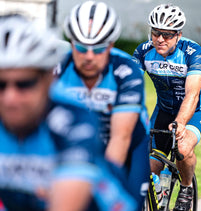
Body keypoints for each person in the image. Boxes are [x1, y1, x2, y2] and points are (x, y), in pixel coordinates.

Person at [0, 14, 137, 211]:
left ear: (48, 80)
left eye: (24, 84)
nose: (10, 98)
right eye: (1, 85)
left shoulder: (73, 118)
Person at [54, 1, 150, 210]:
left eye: (98, 49)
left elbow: (121, 138)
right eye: (81, 47)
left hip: (130, 140)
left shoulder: (126, 72)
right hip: (80, 140)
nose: (89, 56)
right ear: (70, 43)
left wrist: (101, 188)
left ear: (110, 46)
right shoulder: (57, 70)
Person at [133, 4, 201, 211]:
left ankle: (186, 189)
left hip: (194, 111)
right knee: (149, 168)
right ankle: (157, 195)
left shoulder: (192, 52)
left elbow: (193, 93)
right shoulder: (144, 51)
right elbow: (129, 87)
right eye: (156, 33)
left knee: (183, 149)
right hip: (164, 110)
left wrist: (181, 123)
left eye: (167, 35)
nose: (160, 39)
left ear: (178, 35)